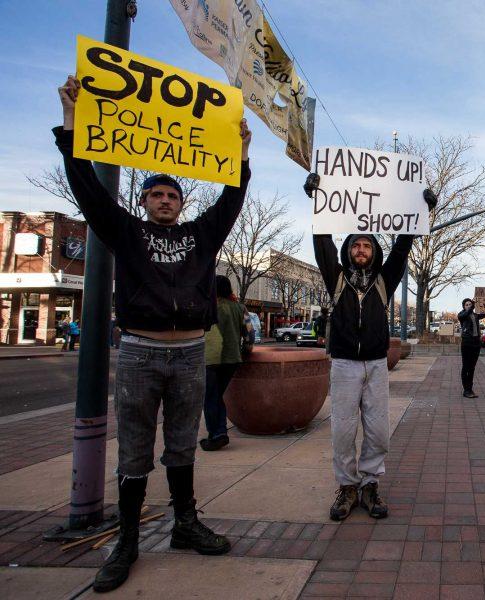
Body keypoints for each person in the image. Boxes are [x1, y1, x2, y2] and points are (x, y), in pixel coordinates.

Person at [56, 75, 251, 593]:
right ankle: (127, 540)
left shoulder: (201, 234)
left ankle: (185, 524)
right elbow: (86, 189)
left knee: (183, 443)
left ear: (182, 203)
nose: (165, 199)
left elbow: (232, 197)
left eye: (172, 194)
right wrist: (73, 123)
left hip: (189, 353)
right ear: (144, 201)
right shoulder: (126, 231)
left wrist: (242, 151)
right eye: (156, 193)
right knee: (137, 448)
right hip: (141, 352)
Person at [304, 172, 437, 521]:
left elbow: (403, 247)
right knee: (343, 431)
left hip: (377, 365)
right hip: (345, 365)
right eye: (355, 245)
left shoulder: (384, 281)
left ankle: (369, 484)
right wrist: (318, 203)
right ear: (349, 251)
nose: (361, 250)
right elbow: (323, 245)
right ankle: (347, 487)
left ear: (373, 251)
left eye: (367, 245)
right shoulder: (336, 278)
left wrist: (419, 209)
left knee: (378, 430)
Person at [201, 276, 251, 452]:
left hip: (209, 359)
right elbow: (249, 334)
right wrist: (246, 350)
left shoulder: (207, 306)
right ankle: (218, 432)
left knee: (210, 397)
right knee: (216, 396)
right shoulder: (240, 308)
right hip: (232, 359)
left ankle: (217, 434)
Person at [458, 298, 485, 398]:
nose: (469, 306)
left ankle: (470, 389)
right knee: (466, 367)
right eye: (467, 305)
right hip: (467, 343)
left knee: (472, 367)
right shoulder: (461, 315)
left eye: (470, 304)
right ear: (464, 306)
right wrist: (472, 305)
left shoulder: (475, 315)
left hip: (476, 344)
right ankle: (466, 390)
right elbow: (465, 314)